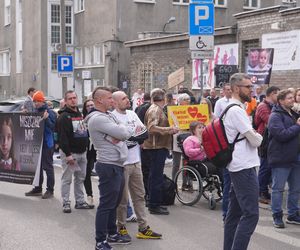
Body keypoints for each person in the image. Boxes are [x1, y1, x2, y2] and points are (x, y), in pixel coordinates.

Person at [86, 87, 134, 249]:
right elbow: (125, 133)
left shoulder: (107, 116)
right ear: (99, 100)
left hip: (116, 165)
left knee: (114, 202)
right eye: (109, 98)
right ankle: (100, 241)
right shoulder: (98, 119)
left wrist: (122, 128)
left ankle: (112, 233)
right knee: (107, 204)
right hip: (108, 165)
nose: (112, 101)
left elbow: (125, 129)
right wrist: (122, 129)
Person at [112, 91, 162, 241]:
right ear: (115, 102)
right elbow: (120, 139)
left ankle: (143, 227)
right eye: (123, 99)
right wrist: (133, 138)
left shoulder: (132, 114)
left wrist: (131, 137)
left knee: (139, 196)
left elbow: (144, 133)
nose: (127, 100)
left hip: (135, 161)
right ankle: (121, 227)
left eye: (127, 98)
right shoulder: (112, 117)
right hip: (122, 164)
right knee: (122, 199)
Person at [223, 73, 262, 250]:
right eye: (248, 87)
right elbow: (255, 140)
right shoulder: (237, 111)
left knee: (234, 214)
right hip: (243, 167)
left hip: (237, 165)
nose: (251, 90)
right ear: (237, 88)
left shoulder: (232, 108)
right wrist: (258, 135)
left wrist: (254, 134)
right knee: (251, 214)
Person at [267, 89, 300, 228]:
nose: (292, 100)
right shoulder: (275, 116)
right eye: (289, 98)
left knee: (295, 189)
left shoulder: (293, 114)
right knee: (278, 189)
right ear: (281, 101)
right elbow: (281, 135)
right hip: (281, 157)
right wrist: (297, 126)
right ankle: (277, 215)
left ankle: (292, 214)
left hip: (295, 157)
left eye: (293, 97)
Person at [143, 88, 179, 215]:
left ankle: (155, 202)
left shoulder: (156, 109)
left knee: (155, 176)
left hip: (158, 146)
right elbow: (151, 128)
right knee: (155, 177)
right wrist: (169, 129)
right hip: (155, 147)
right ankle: (154, 204)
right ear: (163, 99)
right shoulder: (155, 110)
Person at [57, 90, 93, 213]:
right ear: (66, 101)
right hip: (70, 154)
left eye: (75, 98)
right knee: (67, 179)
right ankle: (66, 203)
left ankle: (80, 201)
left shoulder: (79, 114)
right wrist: (68, 155)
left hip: (82, 152)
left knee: (80, 178)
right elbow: (62, 138)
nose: (73, 100)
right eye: (70, 98)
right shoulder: (63, 117)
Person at [25, 91, 57, 199]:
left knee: (48, 167)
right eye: (34, 101)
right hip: (37, 143)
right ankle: (38, 188)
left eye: (36, 101)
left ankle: (50, 190)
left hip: (47, 143)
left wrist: (46, 119)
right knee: (37, 168)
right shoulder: (35, 111)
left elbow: (53, 127)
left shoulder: (50, 112)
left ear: (41, 101)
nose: (35, 103)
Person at [254, 86, 280, 204]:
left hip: (270, 139)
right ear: (271, 94)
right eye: (277, 94)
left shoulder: (273, 106)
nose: (279, 97)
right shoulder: (263, 106)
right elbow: (272, 122)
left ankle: (264, 190)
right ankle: (261, 192)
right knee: (265, 167)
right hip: (264, 140)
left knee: (269, 166)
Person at [171, 93, 190, 181]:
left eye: (188, 99)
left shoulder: (190, 110)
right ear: (180, 101)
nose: (188, 101)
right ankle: (174, 182)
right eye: (186, 99)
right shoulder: (174, 110)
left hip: (187, 136)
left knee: (186, 162)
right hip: (177, 137)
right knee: (176, 163)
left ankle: (186, 183)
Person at [82, 99, 96, 206]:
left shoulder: (98, 118)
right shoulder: (83, 120)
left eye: (92, 105)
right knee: (86, 173)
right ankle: (89, 195)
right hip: (87, 150)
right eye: (88, 106)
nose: (90, 107)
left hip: (98, 149)